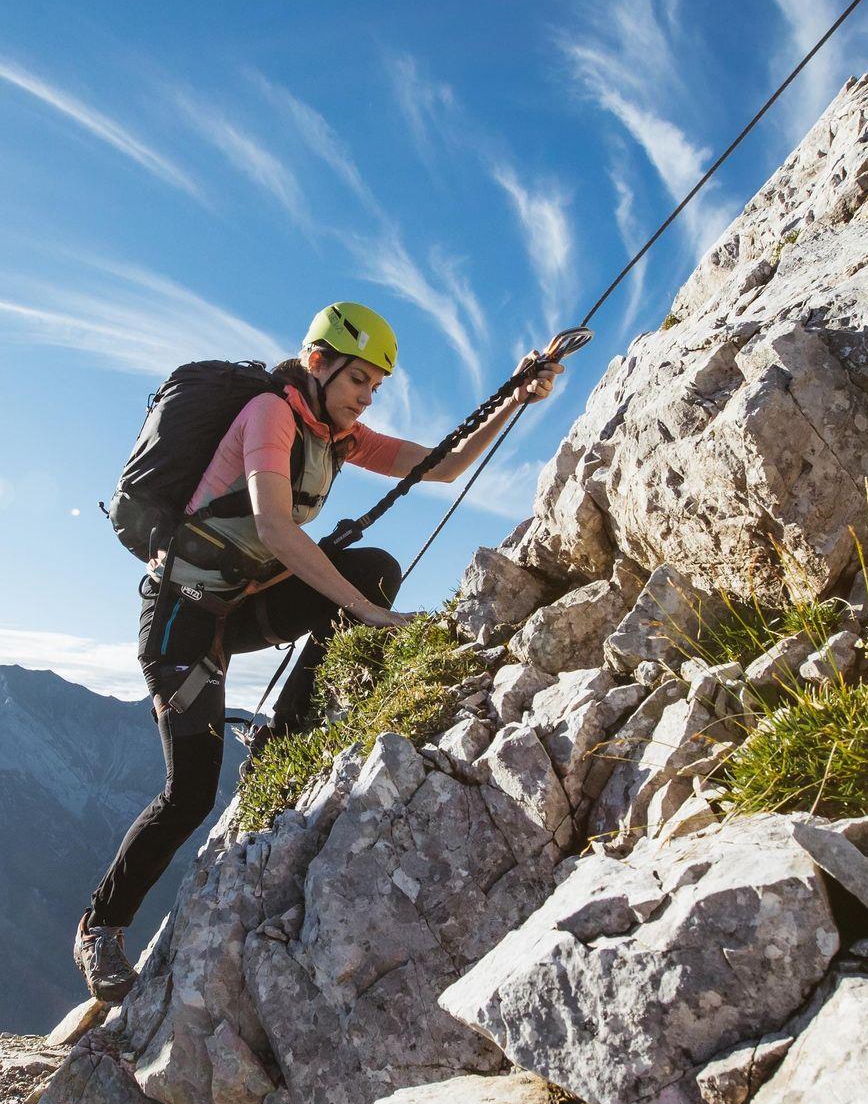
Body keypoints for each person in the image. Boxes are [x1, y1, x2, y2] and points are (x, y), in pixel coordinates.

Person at [74, 303, 562, 1002]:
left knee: (374, 568)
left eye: (376, 387)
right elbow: (275, 528)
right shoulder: (271, 414)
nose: (367, 397)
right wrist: (367, 613)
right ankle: (100, 926)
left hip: (237, 605)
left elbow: (444, 466)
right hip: (182, 615)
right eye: (358, 379)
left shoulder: (336, 436)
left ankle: (282, 738)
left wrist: (515, 397)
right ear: (316, 363)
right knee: (190, 794)